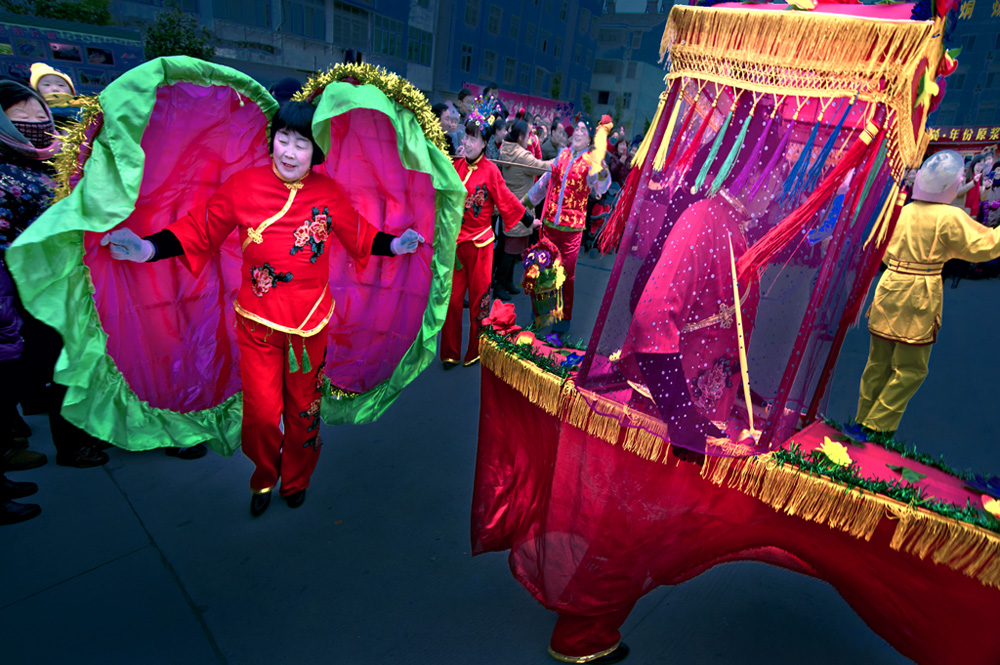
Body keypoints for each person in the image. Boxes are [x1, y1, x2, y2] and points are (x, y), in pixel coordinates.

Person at [100, 101, 425, 516]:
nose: (289, 152)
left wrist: (396, 244)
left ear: (316, 151)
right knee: (261, 414)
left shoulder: (327, 193)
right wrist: (146, 248)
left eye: (301, 144)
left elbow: (358, 232)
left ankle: (297, 478)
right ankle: (264, 476)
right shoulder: (242, 185)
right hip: (257, 322)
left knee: (304, 409)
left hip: (311, 324)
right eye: (282, 139)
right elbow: (200, 228)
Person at [0, 79, 111, 470]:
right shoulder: (5, 172)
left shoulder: (60, 159)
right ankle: (70, 445)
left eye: (39, 113)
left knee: (88, 358)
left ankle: (89, 431)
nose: (34, 121)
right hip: (34, 289)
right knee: (62, 364)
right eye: (21, 116)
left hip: (78, 278)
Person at [855, 150, 1000, 435]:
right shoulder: (949, 217)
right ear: (950, 185)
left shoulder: (905, 209)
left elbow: (879, 249)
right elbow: (986, 246)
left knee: (877, 362)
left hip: (890, 286)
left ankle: (860, 421)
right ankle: (877, 425)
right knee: (910, 368)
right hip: (919, 293)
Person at [441, 103, 535, 370]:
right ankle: (449, 352)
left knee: (479, 302)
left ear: (485, 143)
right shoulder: (455, 165)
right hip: (456, 245)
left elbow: (506, 198)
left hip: (481, 245)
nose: (469, 142)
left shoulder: (491, 171)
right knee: (452, 301)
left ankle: (474, 350)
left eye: (474, 138)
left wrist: (528, 218)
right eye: (467, 137)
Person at [526, 115, 612, 336]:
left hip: (572, 230)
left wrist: (600, 169)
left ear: (589, 138)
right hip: (549, 225)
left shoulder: (590, 161)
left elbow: (598, 184)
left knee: (566, 275)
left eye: (584, 130)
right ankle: (542, 314)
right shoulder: (561, 155)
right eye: (577, 129)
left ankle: (563, 321)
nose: (578, 132)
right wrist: (524, 204)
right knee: (543, 271)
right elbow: (545, 183)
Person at [497, 119, 552, 298]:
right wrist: (563, 159)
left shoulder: (505, 149)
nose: (530, 139)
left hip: (510, 203)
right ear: (520, 136)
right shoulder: (521, 155)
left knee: (511, 249)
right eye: (528, 135)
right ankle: (499, 285)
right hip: (520, 206)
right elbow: (543, 167)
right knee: (509, 251)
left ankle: (507, 282)